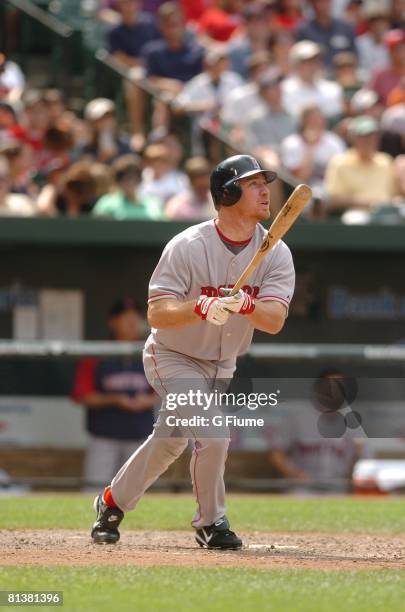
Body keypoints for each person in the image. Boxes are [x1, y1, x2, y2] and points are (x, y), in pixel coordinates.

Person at [90, 154, 295, 549]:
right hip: (173, 355)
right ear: (228, 192)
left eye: (263, 182)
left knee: (170, 440)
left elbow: (274, 321)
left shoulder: (276, 253)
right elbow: (157, 313)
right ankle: (210, 523)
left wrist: (246, 305)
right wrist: (201, 306)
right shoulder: (187, 245)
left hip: (222, 364)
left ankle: (112, 501)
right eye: (253, 184)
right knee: (214, 434)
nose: (265, 190)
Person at [72, 298, 156, 489]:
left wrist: (147, 400)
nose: (132, 321)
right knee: (94, 489)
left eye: (136, 316)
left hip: (139, 435)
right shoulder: (97, 353)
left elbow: (165, 391)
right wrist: (115, 399)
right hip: (104, 437)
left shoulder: (151, 352)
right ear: (113, 322)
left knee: (136, 491)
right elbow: (83, 395)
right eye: (126, 317)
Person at [324, 115, 399, 216]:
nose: (369, 141)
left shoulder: (385, 160)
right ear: (353, 139)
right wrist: (370, 203)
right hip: (356, 213)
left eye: (373, 137)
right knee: (355, 218)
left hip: (387, 213)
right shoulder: (340, 162)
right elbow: (333, 199)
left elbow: (395, 194)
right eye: (364, 137)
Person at [92, 154, 163, 220]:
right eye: (125, 178)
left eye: (134, 178)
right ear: (118, 181)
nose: (130, 182)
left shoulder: (153, 203)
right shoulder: (107, 204)